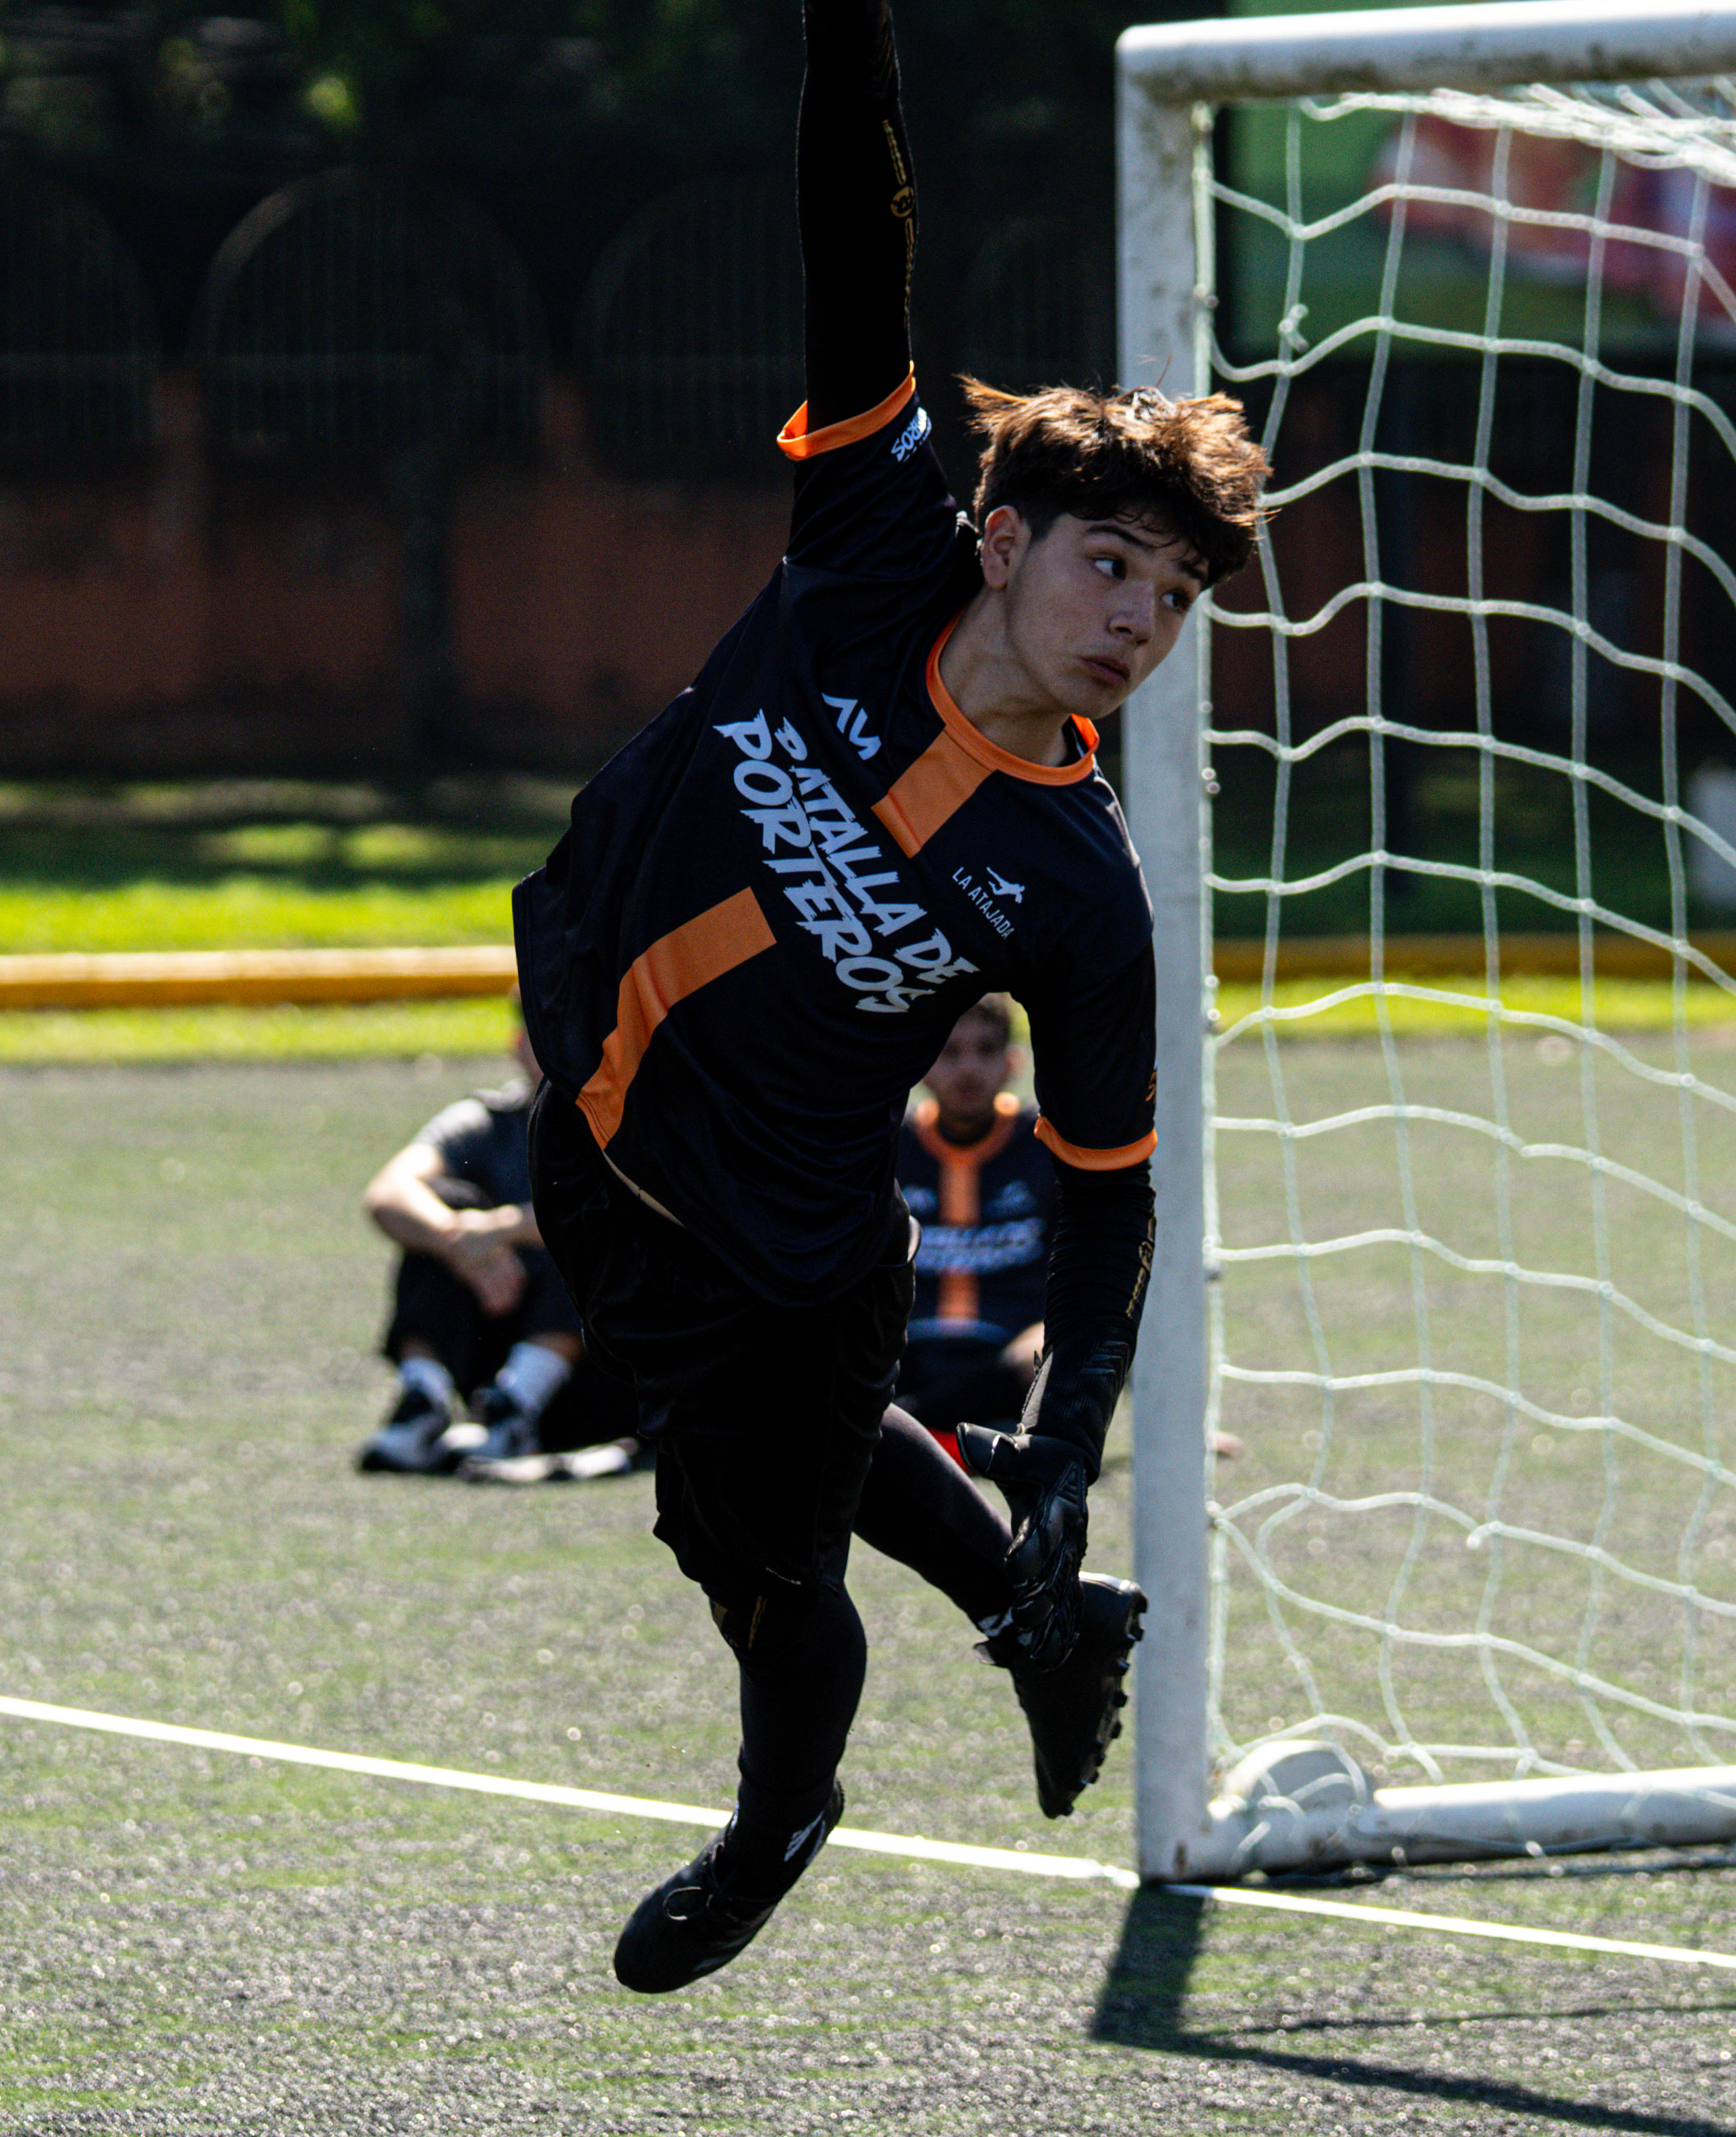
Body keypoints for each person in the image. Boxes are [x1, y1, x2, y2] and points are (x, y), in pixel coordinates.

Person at [515, 0, 1268, 1995]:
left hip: (770, 1243)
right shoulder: (870, 536)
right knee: (821, 1444)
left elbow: (1109, 1191)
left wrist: (1064, 1430)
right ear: (1005, 537)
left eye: (1174, 601)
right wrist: (849, 50)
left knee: (768, 1562)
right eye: (1114, 567)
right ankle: (1053, 1625)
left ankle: (783, 1809)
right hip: (592, 1111)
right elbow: (857, 249)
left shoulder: (1080, 894)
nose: (1139, 623)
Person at [356, 1021, 645, 1484]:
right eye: (544, 1031)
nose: (560, 1048)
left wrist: (501, 1229)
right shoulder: (486, 1118)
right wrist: (456, 1240)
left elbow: (630, 1215)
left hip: (604, 1379)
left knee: (577, 1224)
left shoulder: (628, 1119)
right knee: (440, 1204)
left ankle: (519, 1406)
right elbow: (389, 1192)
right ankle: (423, 1403)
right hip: (492, 1348)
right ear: (518, 1044)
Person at [895, 994, 1053, 1441]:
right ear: (922, 1062)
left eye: (985, 1050)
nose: (968, 1069)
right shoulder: (889, 1147)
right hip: (903, 1353)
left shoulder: (1045, 1145)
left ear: (1013, 1062)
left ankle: (912, 1430)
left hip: (1009, 1355)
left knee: (1057, 1352)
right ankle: (959, 1435)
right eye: (949, 1052)